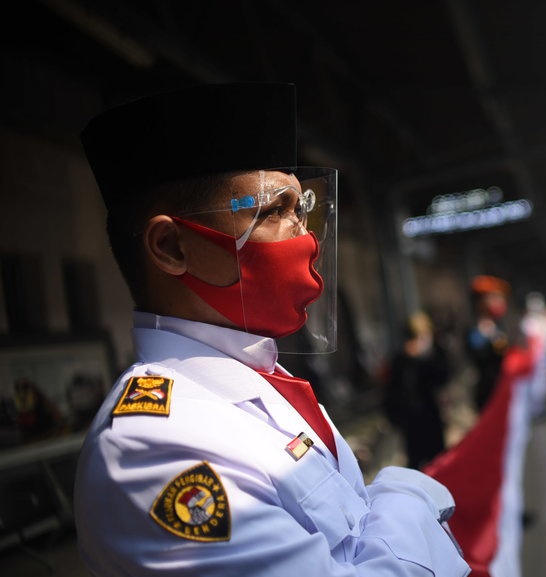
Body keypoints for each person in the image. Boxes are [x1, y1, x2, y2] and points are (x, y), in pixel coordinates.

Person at [73, 82, 469, 576]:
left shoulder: (262, 385)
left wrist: (386, 508)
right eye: (273, 211)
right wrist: (406, 494)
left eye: (301, 210)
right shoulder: (153, 447)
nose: (304, 237)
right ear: (172, 247)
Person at [385, 312, 451, 470]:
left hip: (431, 414)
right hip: (412, 419)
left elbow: (442, 377)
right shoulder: (402, 360)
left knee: (437, 458)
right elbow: (395, 390)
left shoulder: (434, 356)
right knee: (416, 459)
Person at [464, 275, 511, 411]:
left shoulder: (501, 326)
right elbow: (477, 357)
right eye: (494, 297)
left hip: (504, 387)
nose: (499, 302)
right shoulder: (474, 330)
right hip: (487, 391)